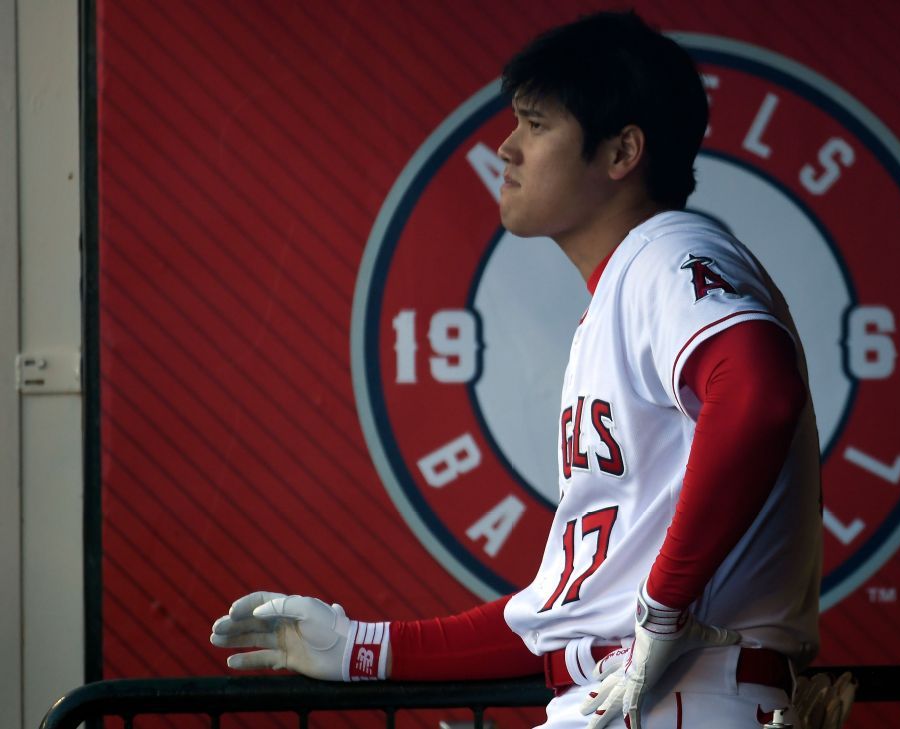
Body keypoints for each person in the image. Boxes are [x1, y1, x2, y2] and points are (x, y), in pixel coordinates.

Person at [210, 11, 822, 729]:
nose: (506, 147)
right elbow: (567, 613)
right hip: (638, 692)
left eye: (536, 124)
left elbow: (757, 392)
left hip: (687, 694)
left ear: (622, 151)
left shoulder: (669, 251)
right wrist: (361, 646)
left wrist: (661, 604)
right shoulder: (623, 289)